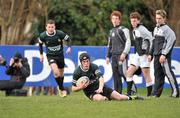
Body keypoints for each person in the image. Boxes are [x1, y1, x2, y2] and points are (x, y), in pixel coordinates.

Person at [72, 53, 143, 101]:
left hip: (102, 87)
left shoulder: (93, 66)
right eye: (84, 62)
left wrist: (100, 88)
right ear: (81, 62)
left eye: (87, 61)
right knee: (101, 99)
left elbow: (101, 78)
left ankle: (134, 98)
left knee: (119, 98)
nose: (86, 63)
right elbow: (73, 88)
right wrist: (80, 87)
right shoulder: (77, 72)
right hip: (91, 93)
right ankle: (108, 98)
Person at [148, 10, 179, 98]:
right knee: (157, 75)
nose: (158, 20)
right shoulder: (155, 29)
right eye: (157, 18)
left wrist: (164, 54)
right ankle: (156, 94)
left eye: (160, 18)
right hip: (156, 55)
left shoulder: (167, 30)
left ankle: (175, 93)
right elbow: (153, 42)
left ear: (164, 19)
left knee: (168, 73)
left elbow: (172, 40)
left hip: (163, 56)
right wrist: (150, 54)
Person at [106, 10, 137, 94]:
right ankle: (117, 93)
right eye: (113, 18)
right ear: (111, 20)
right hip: (114, 56)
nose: (115, 20)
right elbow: (110, 45)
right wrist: (108, 56)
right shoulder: (111, 31)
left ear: (119, 20)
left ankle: (133, 89)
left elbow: (128, 42)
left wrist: (124, 53)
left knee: (123, 72)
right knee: (116, 75)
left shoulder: (124, 29)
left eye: (116, 18)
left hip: (121, 55)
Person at [38, 19, 71, 97]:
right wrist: (41, 55)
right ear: (46, 27)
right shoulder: (43, 36)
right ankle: (62, 88)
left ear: (54, 27)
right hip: (50, 56)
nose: (51, 29)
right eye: (49, 27)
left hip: (60, 56)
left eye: (52, 27)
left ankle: (60, 87)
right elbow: (40, 44)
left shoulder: (60, 33)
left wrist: (69, 47)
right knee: (56, 72)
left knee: (61, 73)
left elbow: (68, 39)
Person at [126, 12, 153, 96]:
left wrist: (149, 54)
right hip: (137, 55)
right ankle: (129, 93)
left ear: (138, 21)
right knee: (129, 72)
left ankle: (149, 95)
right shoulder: (134, 30)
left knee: (146, 75)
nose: (133, 23)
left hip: (144, 55)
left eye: (134, 21)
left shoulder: (142, 29)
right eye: (131, 21)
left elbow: (151, 39)